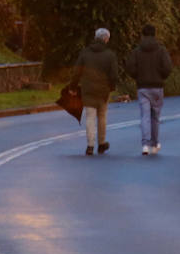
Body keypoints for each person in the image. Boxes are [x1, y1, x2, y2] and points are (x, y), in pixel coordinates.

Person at [125, 24, 173, 155]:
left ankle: (145, 145)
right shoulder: (161, 50)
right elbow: (168, 67)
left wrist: (137, 76)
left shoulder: (137, 51)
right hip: (157, 87)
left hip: (143, 87)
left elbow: (130, 67)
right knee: (155, 116)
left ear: (143, 35)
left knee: (144, 116)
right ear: (154, 34)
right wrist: (161, 76)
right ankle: (155, 143)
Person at [70, 27, 118, 156]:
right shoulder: (110, 55)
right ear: (106, 39)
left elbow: (77, 71)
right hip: (103, 90)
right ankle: (101, 144)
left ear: (95, 38)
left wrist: (73, 86)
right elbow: (114, 75)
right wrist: (111, 87)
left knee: (90, 117)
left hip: (88, 89)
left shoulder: (85, 53)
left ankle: (90, 145)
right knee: (102, 116)